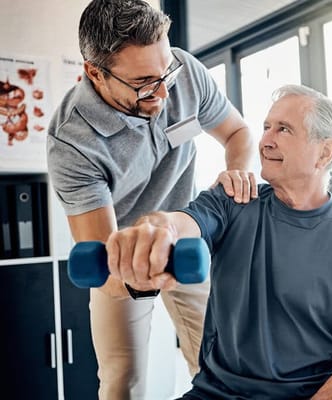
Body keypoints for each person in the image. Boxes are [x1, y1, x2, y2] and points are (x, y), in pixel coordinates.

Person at [104, 84, 332, 399]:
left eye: (284, 130)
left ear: (325, 152)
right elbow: (181, 223)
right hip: (215, 393)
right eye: (266, 127)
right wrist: (155, 228)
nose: (265, 140)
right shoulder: (233, 199)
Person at [46, 0, 256, 399]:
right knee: (122, 378)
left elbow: (238, 134)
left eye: (166, 73)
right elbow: (105, 268)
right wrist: (148, 269)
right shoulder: (71, 141)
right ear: (95, 73)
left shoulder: (184, 72)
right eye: (144, 82)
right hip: (124, 256)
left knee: (219, 365)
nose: (162, 92)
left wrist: (238, 170)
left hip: (188, 238)